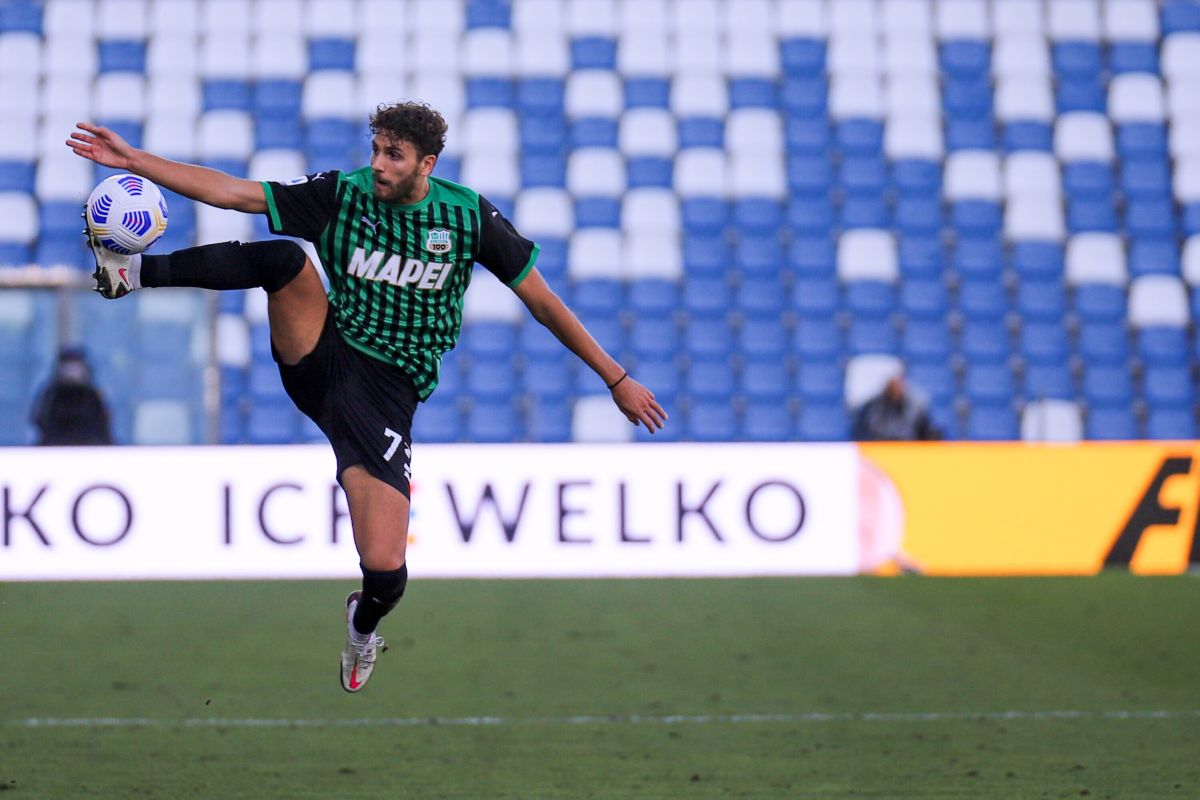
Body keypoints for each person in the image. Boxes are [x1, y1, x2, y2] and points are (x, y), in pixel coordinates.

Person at [66, 102, 668, 693]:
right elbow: (235, 193)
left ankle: (362, 625)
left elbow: (541, 302)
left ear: (426, 164)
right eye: (376, 149)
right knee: (284, 260)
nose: (378, 164)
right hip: (324, 354)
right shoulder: (342, 195)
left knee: (385, 574)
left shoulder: (467, 218)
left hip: (386, 395)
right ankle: (133, 274)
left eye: (394, 155)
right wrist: (136, 160)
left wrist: (616, 378)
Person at [31, 345, 114, 446]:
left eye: (75, 367)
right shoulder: (51, 395)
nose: (72, 372)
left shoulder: (93, 396)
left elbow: (103, 424)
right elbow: (40, 420)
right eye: (68, 367)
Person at [852, 374, 941, 442]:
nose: (897, 390)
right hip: (880, 450)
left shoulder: (915, 407)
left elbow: (925, 431)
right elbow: (866, 431)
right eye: (893, 387)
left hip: (909, 451)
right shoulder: (873, 406)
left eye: (899, 386)